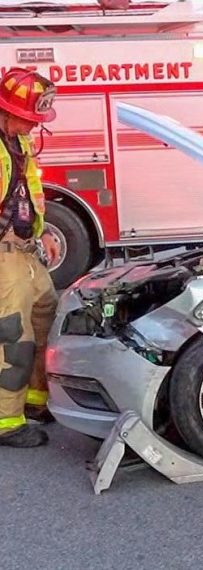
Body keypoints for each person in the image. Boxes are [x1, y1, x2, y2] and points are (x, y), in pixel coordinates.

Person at [0, 67, 61, 448]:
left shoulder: (18, 142)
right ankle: (6, 420)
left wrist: (44, 231)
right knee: (12, 336)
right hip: (4, 255)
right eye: (31, 117)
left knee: (47, 320)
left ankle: (36, 402)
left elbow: (27, 190)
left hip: (24, 249)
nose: (36, 126)